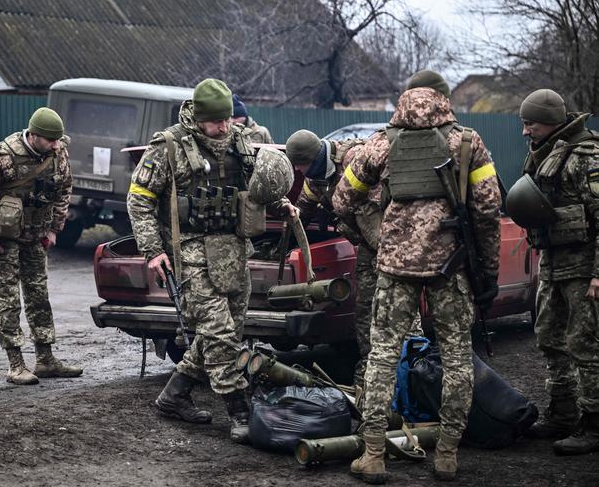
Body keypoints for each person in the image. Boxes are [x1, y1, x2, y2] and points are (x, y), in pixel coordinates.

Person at [332, 70, 501, 483]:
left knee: (382, 355)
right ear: (445, 101)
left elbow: (342, 198)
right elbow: (487, 211)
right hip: (452, 266)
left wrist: (377, 221)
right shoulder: (468, 142)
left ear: (403, 100)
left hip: (393, 268)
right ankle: (446, 454)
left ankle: (373, 454)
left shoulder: (381, 143)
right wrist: (489, 269)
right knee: (459, 359)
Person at [127, 78, 297, 443]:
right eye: (217, 121)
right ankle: (240, 411)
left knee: (227, 332)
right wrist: (153, 252)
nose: (224, 127)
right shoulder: (168, 146)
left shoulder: (238, 141)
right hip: (189, 252)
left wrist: (282, 204)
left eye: (228, 120)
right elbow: (138, 199)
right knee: (219, 334)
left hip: (233, 251)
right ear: (198, 117)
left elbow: (256, 186)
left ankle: (174, 395)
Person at [285, 129, 425, 389]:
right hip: (367, 248)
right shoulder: (315, 178)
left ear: (313, 157)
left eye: (300, 164)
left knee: (401, 310)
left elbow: (380, 205)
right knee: (365, 312)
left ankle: (414, 371)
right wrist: (291, 226)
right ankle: (370, 373)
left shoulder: (354, 159)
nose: (298, 171)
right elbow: (303, 208)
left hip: (393, 246)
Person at [0, 107, 83, 386]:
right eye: (51, 140)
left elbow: (64, 189)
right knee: (8, 301)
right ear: (34, 134)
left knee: (39, 296)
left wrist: (54, 229)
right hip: (3, 241)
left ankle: (46, 359)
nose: (56, 145)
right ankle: (16, 364)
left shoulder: (57, 152)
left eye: (58, 140)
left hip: (36, 237)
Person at [509, 89, 599, 456]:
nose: (525, 131)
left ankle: (593, 423)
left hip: (583, 269)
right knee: (548, 336)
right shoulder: (544, 154)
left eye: (530, 123)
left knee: (585, 344)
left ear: (550, 120)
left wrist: (597, 274)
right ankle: (562, 413)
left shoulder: (586, 157)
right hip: (553, 263)